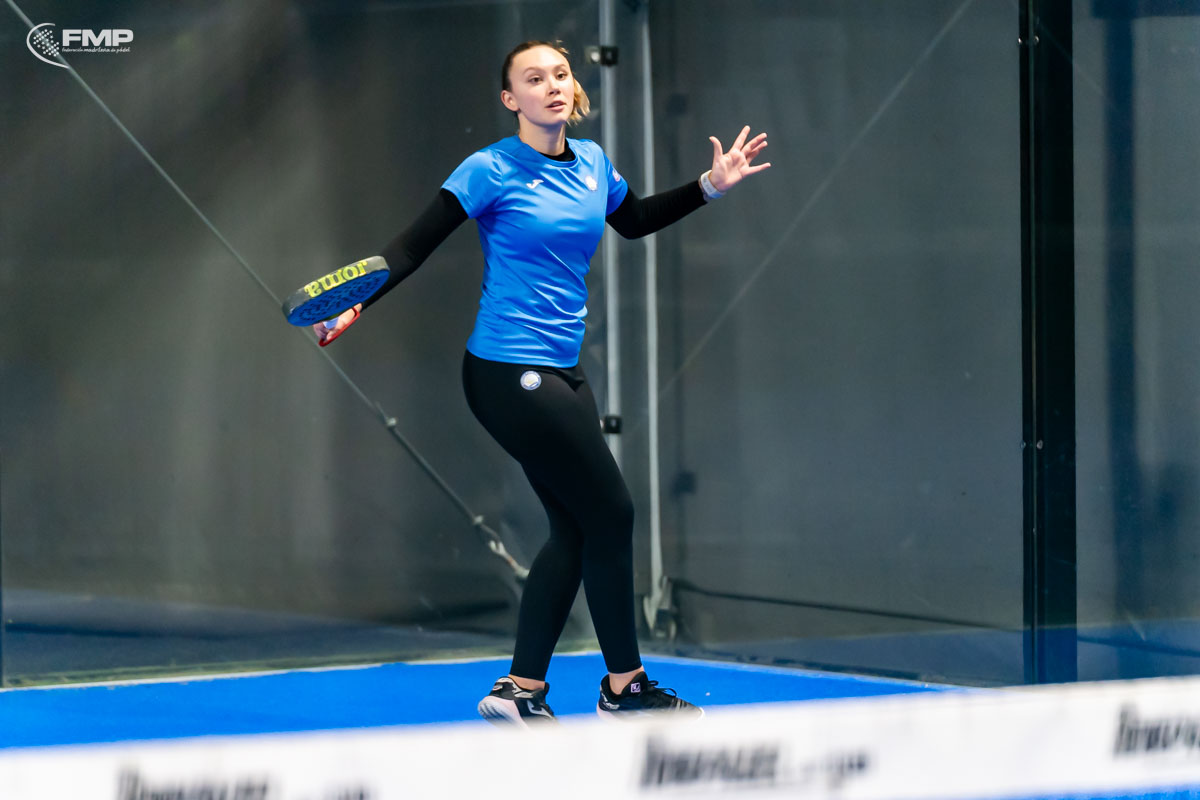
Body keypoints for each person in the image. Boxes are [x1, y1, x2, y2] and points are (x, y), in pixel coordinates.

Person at [316, 40, 769, 726]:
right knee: (611, 513)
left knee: (577, 530)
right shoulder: (489, 169)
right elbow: (412, 245)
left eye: (560, 74)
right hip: (506, 371)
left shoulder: (592, 164)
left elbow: (635, 221)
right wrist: (355, 303)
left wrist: (710, 186)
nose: (552, 85)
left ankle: (519, 690)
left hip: (564, 370)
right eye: (534, 78)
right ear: (511, 100)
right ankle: (626, 689)